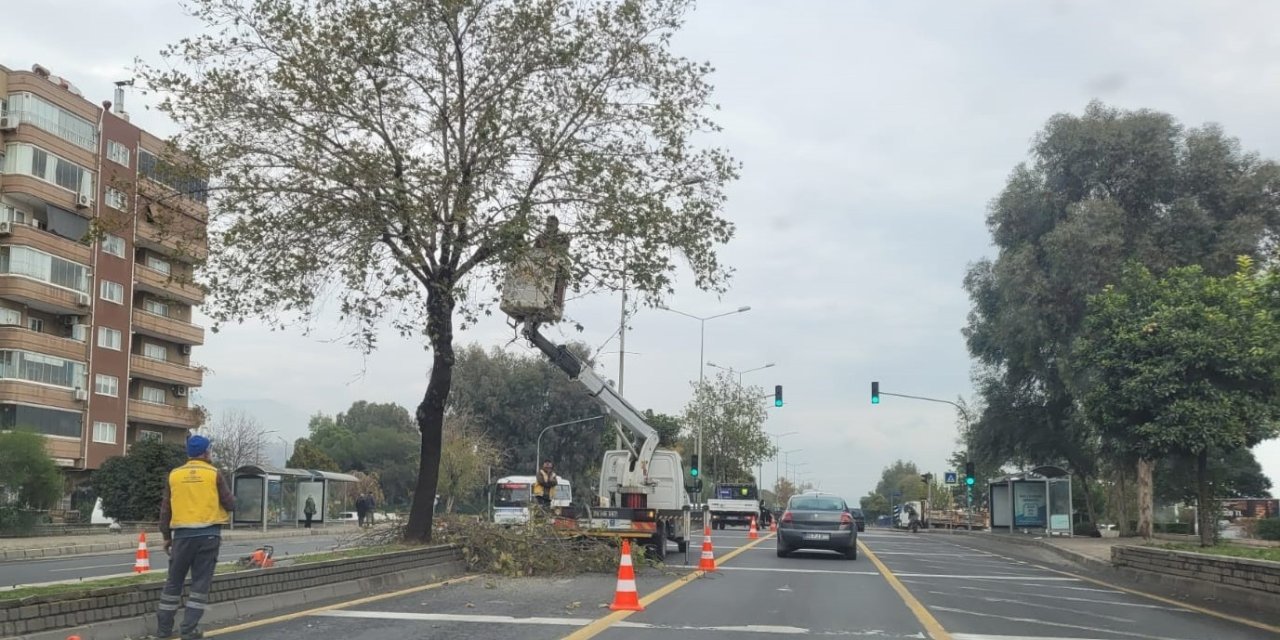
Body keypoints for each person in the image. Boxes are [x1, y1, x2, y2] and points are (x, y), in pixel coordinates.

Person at [153, 435, 234, 640]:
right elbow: (230, 503)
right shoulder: (214, 474)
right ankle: (188, 630)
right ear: (206, 453)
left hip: (181, 537)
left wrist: (166, 536)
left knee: (173, 582)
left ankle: (163, 629)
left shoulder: (174, 475)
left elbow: (165, 509)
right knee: (200, 584)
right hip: (209, 536)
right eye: (210, 450)